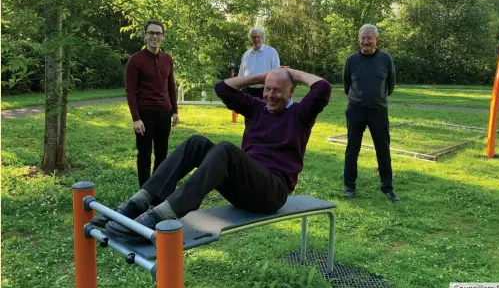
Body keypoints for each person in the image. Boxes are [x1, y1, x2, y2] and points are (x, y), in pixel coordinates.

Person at [91, 67, 331, 243]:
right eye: (267, 89)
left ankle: (161, 215)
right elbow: (223, 88)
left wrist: (293, 73)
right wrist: (262, 76)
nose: (269, 95)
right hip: (245, 188)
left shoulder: (301, 114)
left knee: (226, 149)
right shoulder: (257, 107)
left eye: (277, 90)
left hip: (272, 191)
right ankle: (138, 202)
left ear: (291, 93)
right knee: (197, 142)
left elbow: (323, 87)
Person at [343, 24, 399, 202]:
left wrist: (378, 98)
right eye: (363, 38)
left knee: (383, 149)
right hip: (356, 109)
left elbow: (390, 84)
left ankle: (387, 187)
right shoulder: (351, 60)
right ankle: (349, 187)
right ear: (359, 39)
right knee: (352, 149)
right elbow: (346, 85)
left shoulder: (385, 59)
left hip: (378, 110)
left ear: (376, 39)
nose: (366, 41)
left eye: (369, 38)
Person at [125, 19, 179, 188]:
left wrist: (175, 111)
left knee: (162, 154)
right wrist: (136, 118)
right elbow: (130, 91)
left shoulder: (167, 59)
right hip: (145, 114)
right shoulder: (135, 60)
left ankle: (157, 189)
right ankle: (143, 192)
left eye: (158, 33)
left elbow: (171, 86)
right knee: (144, 155)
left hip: (164, 112)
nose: (154, 36)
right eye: (151, 33)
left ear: (162, 36)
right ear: (145, 35)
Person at [238, 27, 280, 99]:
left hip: (265, 90)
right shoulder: (246, 54)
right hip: (247, 91)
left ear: (262, 37)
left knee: (264, 110)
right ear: (251, 38)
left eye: (258, 37)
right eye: (254, 37)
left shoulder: (271, 52)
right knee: (247, 110)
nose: (256, 39)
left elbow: (276, 72)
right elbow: (241, 74)